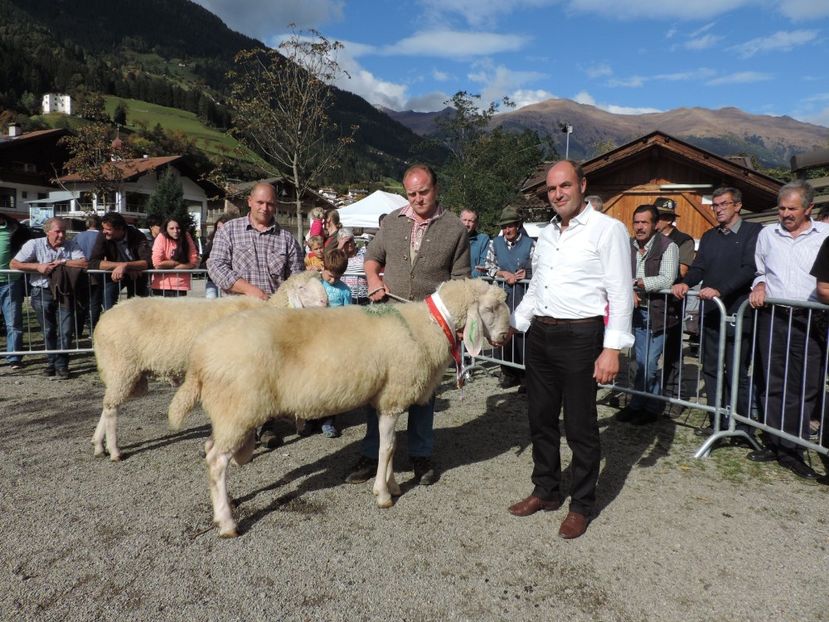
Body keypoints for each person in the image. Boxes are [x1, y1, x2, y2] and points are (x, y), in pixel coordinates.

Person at [507, 160, 633, 540]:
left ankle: (581, 504)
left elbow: (621, 294)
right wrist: (515, 324)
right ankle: (546, 490)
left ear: (581, 184)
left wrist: (612, 349)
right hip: (541, 336)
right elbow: (536, 287)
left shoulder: (608, 230)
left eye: (565, 186)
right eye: (551, 189)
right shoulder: (546, 234)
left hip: (582, 337)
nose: (558, 194)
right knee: (540, 419)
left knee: (580, 426)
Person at [345, 163, 470, 486]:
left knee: (424, 393)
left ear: (436, 189)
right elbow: (372, 258)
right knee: (378, 387)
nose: (417, 199)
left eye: (423, 192)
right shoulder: (391, 222)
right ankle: (371, 453)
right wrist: (373, 278)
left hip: (431, 328)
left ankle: (420, 454)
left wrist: (456, 322)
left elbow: (461, 282)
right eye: (412, 193)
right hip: (389, 320)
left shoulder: (456, 228)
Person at [207, 182, 304, 447]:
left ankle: (266, 424)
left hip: (271, 322)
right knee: (233, 375)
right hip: (235, 318)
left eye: (270, 203)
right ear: (250, 201)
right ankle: (228, 427)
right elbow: (215, 267)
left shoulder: (287, 240)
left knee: (266, 373)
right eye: (260, 202)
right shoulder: (229, 231)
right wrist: (250, 291)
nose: (265, 208)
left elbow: (296, 279)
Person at [747, 180, 828, 479]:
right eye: (781, 208)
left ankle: (792, 447)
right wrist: (759, 284)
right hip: (775, 315)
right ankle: (772, 440)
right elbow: (761, 270)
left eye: (792, 208)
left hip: (810, 318)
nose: (785, 214)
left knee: (803, 384)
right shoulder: (768, 234)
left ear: (808, 208)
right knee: (772, 379)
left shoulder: (825, 235)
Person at [671, 187, 762, 436]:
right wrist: (684, 283)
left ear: (737, 205)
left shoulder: (753, 232)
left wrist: (719, 290)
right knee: (710, 368)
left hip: (737, 312)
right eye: (715, 205)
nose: (719, 209)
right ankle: (717, 421)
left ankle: (742, 426)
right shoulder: (709, 236)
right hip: (712, 313)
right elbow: (698, 268)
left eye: (724, 204)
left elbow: (749, 269)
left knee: (736, 370)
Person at [616, 204, 679, 425]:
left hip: (657, 313)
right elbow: (618, 272)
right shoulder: (628, 246)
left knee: (649, 364)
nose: (640, 227)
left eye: (644, 222)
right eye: (636, 222)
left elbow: (667, 278)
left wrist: (640, 284)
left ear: (655, 224)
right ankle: (637, 405)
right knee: (637, 362)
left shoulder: (668, 246)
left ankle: (650, 407)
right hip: (633, 313)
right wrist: (628, 289)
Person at [11, 217, 88, 378]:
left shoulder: (71, 244)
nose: (61, 235)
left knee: (66, 331)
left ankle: (62, 365)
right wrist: (38, 266)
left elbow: (83, 263)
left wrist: (62, 262)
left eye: (64, 231)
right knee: (48, 330)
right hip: (41, 291)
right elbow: (15, 264)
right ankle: (51, 363)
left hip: (64, 292)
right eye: (58, 231)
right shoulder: (34, 244)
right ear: (47, 231)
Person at [653, 198, 696, 416]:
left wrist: (655, 275)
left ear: (668, 219)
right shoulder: (648, 239)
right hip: (650, 302)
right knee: (643, 352)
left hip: (672, 304)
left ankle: (675, 395)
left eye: (659, 217)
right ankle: (641, 394)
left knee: (672, 350)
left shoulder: (683, 241)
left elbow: (682, 270)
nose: (656, 221)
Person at [485, 205, 535, 389]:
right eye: (504, 227)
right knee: (503, 333)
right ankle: (508, 373)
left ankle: (526, 378)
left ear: (518, 225)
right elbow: (488, 266)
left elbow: (539, 268)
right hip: (503, 298)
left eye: (510, 226)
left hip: (523, 297)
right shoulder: (494, 243)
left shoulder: (530, 244)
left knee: (524, 337)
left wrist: (527, 273)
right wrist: (502, 273)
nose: (507, 230)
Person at [317, 247, 352, 439]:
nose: (333, 280)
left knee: (331, 380)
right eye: (330, 275)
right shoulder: (315, 285)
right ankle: (311, 419)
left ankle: (329, 420)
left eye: (337, 277)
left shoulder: (344, 290)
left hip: (335, 339)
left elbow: (348, 315)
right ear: (323, 267)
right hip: (316, 337)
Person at [91, 212, 151, 309]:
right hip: (114, 276)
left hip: (137, 277)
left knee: (137, 308)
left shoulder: (137, 235)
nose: (104, 231)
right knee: (108, 303)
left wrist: (126, 266)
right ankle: (111, 323)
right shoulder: (103, 236)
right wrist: (120, 266)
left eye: (108, 229)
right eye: (103, 228)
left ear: (120, 229)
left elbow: (148, 262)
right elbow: (93, 262)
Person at [0, 213, 33, 369]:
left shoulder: (16, 229)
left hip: (10, 282)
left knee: (13, 321)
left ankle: (14, 357)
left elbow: (29, 250)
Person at [151, 217, 198, 297]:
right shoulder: (161, 237)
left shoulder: (186, 236)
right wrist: (177, 263)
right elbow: (157, 263)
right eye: (171, 228)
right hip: (162, 285)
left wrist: (168, 267)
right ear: (166, 229)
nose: (175, 231)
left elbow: (193, 261)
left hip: (181, 285)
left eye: (178, 228)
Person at [73, 214, 103, 336]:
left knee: (80, 303)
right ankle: (93, 330)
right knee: (95, 303)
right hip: (97, 273)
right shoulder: (101, 236)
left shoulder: (78, 236)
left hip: (80, 273)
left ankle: (77, 330)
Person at [200, 214, 232, 299]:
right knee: (211, 303)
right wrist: (209, 263)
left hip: (230, 283)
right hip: (213, 281)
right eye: (218, 228)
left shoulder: (234, 242)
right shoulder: (211, 244)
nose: (221, 231)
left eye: (223, 228)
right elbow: (202, 265)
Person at [338, 228, 368, 304]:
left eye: (351, 240)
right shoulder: (338, 255)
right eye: (346, 242)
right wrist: (339, 248)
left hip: (362, 296)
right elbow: (331, 264)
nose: (350, 244)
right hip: (344, 296)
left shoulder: (363, 252)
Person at [460, 208, 490, 278]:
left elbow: (483, 265)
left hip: (473, 284)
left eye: (470, 221)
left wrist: (467, 280)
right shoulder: (452, 238)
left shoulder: (483, 239)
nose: (466, 224)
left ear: (476, 224)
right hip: (452, 283)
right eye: (464, 220)